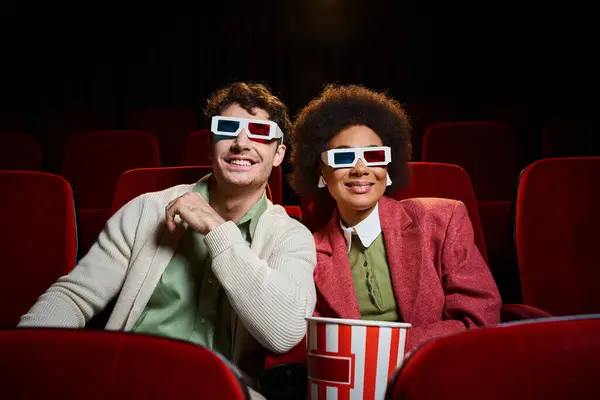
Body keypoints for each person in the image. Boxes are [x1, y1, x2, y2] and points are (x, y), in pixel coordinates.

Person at [19, 82, 317, 396]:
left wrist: (216, 229)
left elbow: (283, 333)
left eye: (258, 131)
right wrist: (23, 361)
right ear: (210, 144)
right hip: (126, 383)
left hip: (222, 390)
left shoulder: (291, 235)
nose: (241, 142)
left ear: (278, 154)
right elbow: (74, 298)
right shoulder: (146, 210)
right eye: (228, 128)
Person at [287, 84, 501, 351]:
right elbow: (315, 343)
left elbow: (479, 320)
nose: (360, 169)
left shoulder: (443, 220)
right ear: (321, 172)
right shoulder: (308, 252)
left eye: (374, 156)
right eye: (343, 157)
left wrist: (385, 349)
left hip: (437, 374)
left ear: (388, 167)